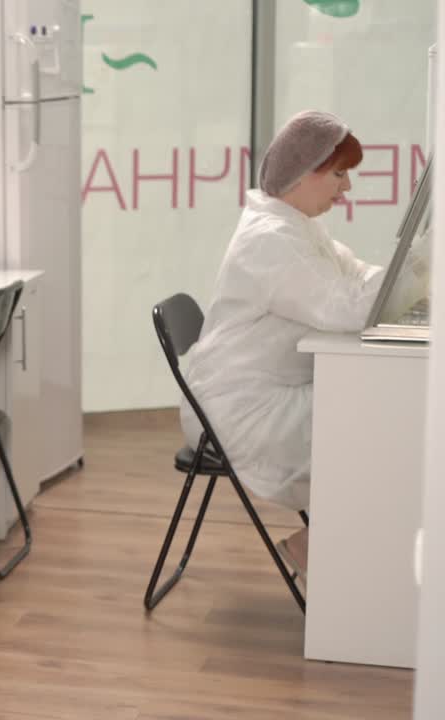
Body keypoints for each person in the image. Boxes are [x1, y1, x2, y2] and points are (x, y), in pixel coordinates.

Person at [178, 110, 428, 584]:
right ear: (303, 172)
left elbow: (355, 276)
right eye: (338, 174)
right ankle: (320, 549)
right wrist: (418, 268)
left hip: (259, 395)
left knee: (375, 417)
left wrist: (411, 276)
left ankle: (339, 555)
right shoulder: (272, 241)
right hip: (241, 410)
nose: (346, 187)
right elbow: (347, 309)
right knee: (379, 426)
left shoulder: (296, 225)